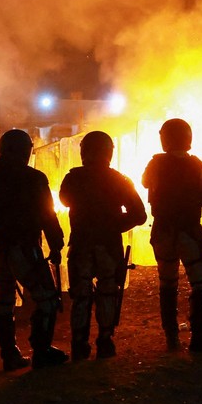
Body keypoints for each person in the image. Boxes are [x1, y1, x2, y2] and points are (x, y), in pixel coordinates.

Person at [0, 130, 68, 370]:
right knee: (46, 299)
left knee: (4, 302)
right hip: (25, 248)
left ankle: (10, 356)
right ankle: (42, 350)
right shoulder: (34, 179)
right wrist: (56, 243)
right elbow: (48, 215)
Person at [58, 131, 147, 360]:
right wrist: (114, 225)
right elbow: (139, 214)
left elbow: (65, 199)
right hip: (109, 245)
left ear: (84, 151)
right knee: (108, 291)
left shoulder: (73, 178)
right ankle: (105, 341)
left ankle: (79, 344)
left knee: (81, 295)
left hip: (81, 244)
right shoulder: (119, 179)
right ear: (109, 152)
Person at [141, 118, 202, 352]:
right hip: (189, 229)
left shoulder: (155, 163)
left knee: (167, 283)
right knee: (199, 283)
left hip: (162, 231)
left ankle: (171, 337)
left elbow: (145, 182)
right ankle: (200, 336)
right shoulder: (197, 165)